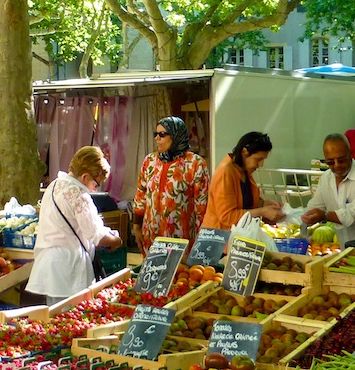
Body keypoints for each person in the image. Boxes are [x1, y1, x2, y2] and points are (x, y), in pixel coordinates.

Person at [26, 146, 122, 304]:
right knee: (72, 318)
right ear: (85, 177)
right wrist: (115, 240)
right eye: (96, 184)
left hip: (50, 264)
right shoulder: (78, 195)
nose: (94, 189)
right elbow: (97, 236)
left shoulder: (53, 186)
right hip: (70, 268)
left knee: (56, 317)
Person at [132, 116, 210, 252]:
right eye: (155, 134)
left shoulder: (195, 163)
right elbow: (140, 196)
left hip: (181, 240)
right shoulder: (149, 161)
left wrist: (201, 241)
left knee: (180, 273)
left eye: (162, 134)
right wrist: (136, 226)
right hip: (151, 238)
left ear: (176, 136)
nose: (157, 138)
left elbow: (202, 207)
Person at [301, 133, 355, 245]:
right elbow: (313, 208)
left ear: (350, 153)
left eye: (341, 160)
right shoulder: (326, 178)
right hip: (346, 249)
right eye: (331, 162)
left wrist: (326, 216)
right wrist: (286, 213)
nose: (336, 165)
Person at [202, 131, 284, 230]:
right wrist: (262, 211)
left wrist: (264, 204)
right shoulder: (225, 173)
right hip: (219, 238)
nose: (261, 165)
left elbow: (244, 202)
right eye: (258, 159)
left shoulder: (244, 171)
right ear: (244, 152)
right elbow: (227, 217)